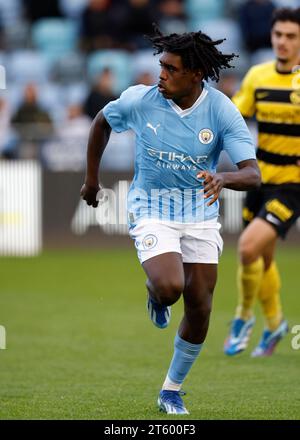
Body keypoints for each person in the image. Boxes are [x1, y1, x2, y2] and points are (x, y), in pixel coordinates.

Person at [80, 26, 260, 415]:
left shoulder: (221, 110)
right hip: (152, 208)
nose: (160, 74)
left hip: (199, 215)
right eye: (160, 65)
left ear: (195, 74)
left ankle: (171, 390)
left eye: (170, 68)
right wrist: (91, 180)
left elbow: (253, 174)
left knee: (200, 305)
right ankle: (155, 294)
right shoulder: (140, 100)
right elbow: (101, 122)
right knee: (169, 287)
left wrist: (224, 177)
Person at [224, 7, 300, 358]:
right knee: (264, 260)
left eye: (291, 36)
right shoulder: (258, 76)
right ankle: (275, 324)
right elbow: (235, 117)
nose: (283, 42)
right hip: (258, 180)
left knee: (247, 249)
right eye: (278, 35)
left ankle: (242, 318)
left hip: (292, 187)